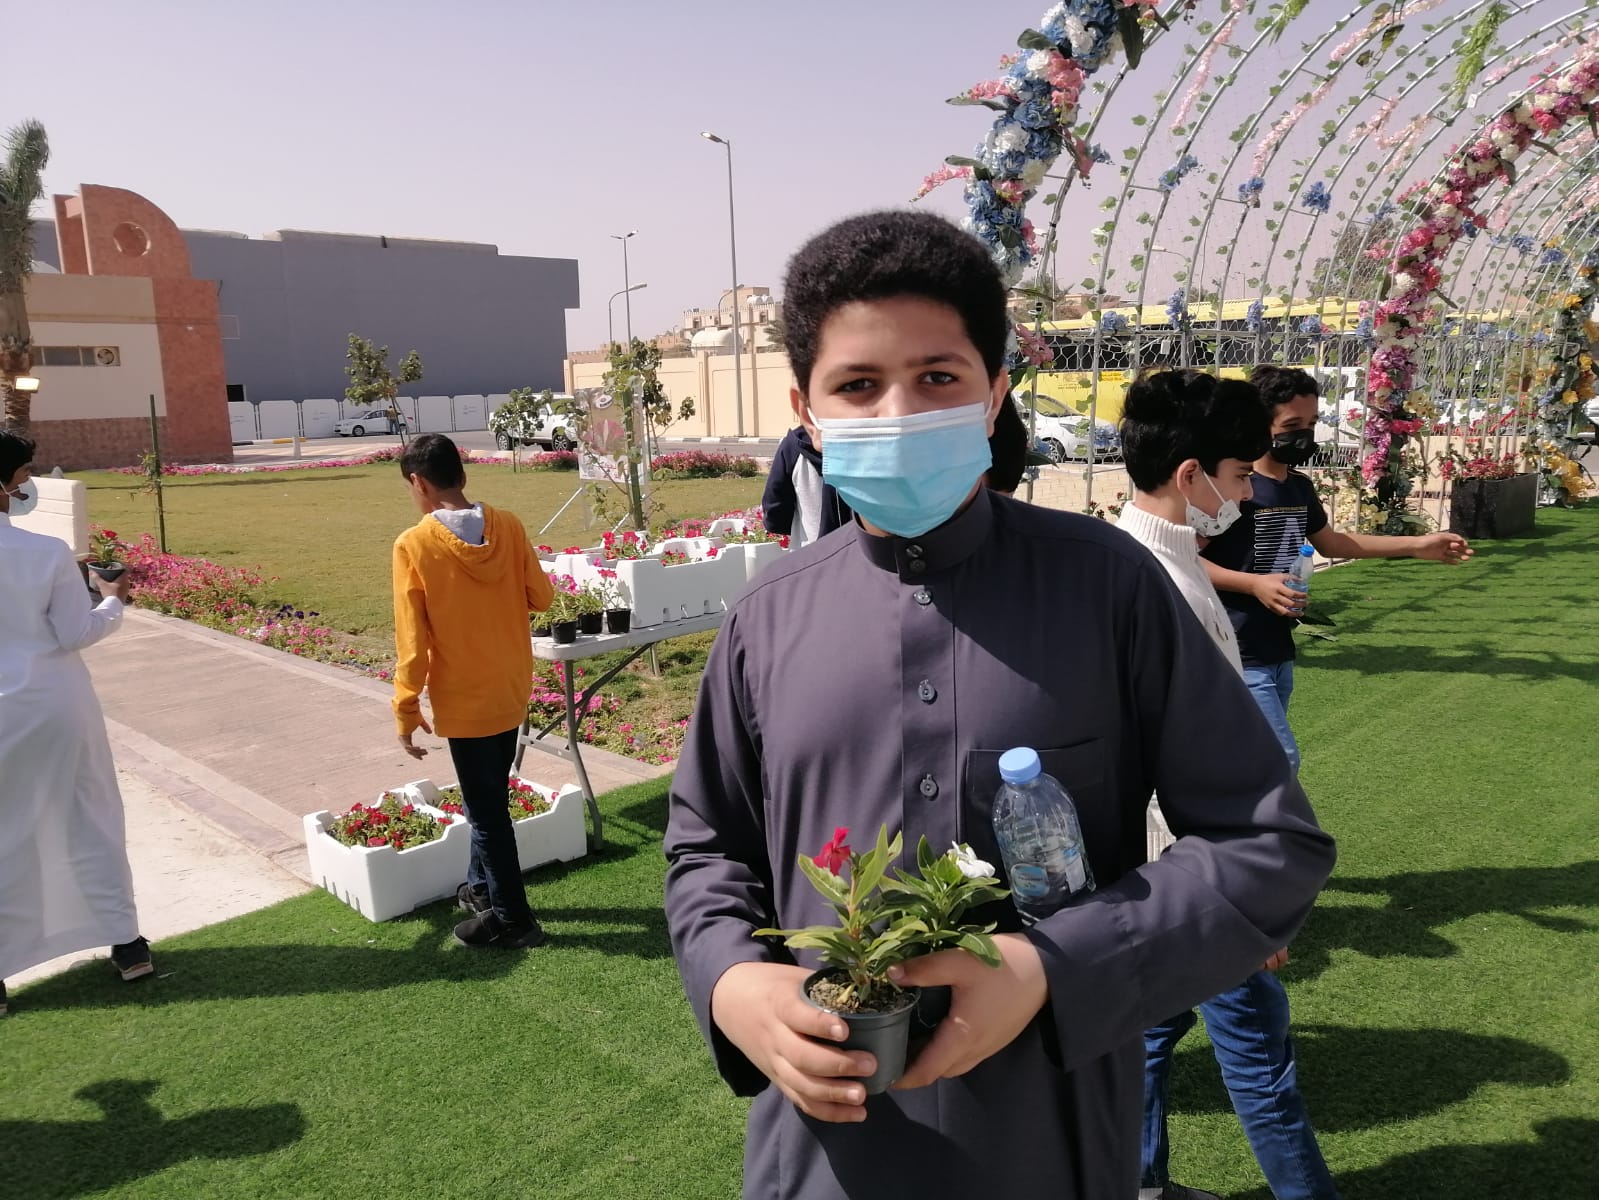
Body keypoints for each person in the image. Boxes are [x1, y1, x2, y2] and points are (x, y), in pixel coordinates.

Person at [663, 211, 1337, 1199]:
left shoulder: (1108, 588)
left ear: (993, 396)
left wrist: (1051, 967)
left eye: (938, 377)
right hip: (825, 1151)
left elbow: (1268, 844)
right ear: (806, 412)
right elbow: (706, 850)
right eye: (858, 385)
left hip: (1049, 1135)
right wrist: (732, 979)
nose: (899, 411)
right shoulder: (767, 620)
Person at [1117, 370, 1338, 1200]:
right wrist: (1242, 897)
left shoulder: (1144, 565)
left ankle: (1138, 1182)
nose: (1245, 497)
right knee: (1258, 1058)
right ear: (1189, 475)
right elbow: (1166, 771)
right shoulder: (1156, 585)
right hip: (1194, 879)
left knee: (1151, 1027)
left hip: (1166, 878)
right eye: (1240, 476)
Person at [1201, 365, 1472, 774]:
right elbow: (1185, 559)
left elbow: (1334, 543)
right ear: (1258, 423)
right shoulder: (1234, 487)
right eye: (1292, 425)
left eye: (1311, 424)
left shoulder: (1298, 487)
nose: (1304, 435)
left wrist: (1418, 545)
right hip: (1236, 647)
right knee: (1278, 759)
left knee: (1249, 760)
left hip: (1277, 647)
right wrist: (1253, 584)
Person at [0, 431, 152, 1015]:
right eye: (22, 476)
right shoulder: (43, 553)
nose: (25, 486)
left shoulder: (49, 556)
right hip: (53, 707)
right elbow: (75, 632)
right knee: (90, 817)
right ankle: (127, 945)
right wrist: (111, 598)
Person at [391, 434, 554, 949]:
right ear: (461, 474)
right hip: (510, 684)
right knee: (489, 796)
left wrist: (405, 707)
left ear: (418, 482)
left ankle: (512, 920)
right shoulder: (508, 525)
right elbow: (542, 597)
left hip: (464, 697)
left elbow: (412, 642)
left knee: (487, 814)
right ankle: (481, 889)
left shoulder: (413, 545)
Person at [761, 424, 850, 548]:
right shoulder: (863, 442)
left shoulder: (792, 446)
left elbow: (775, 511)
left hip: (809, 548)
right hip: (863, 550)